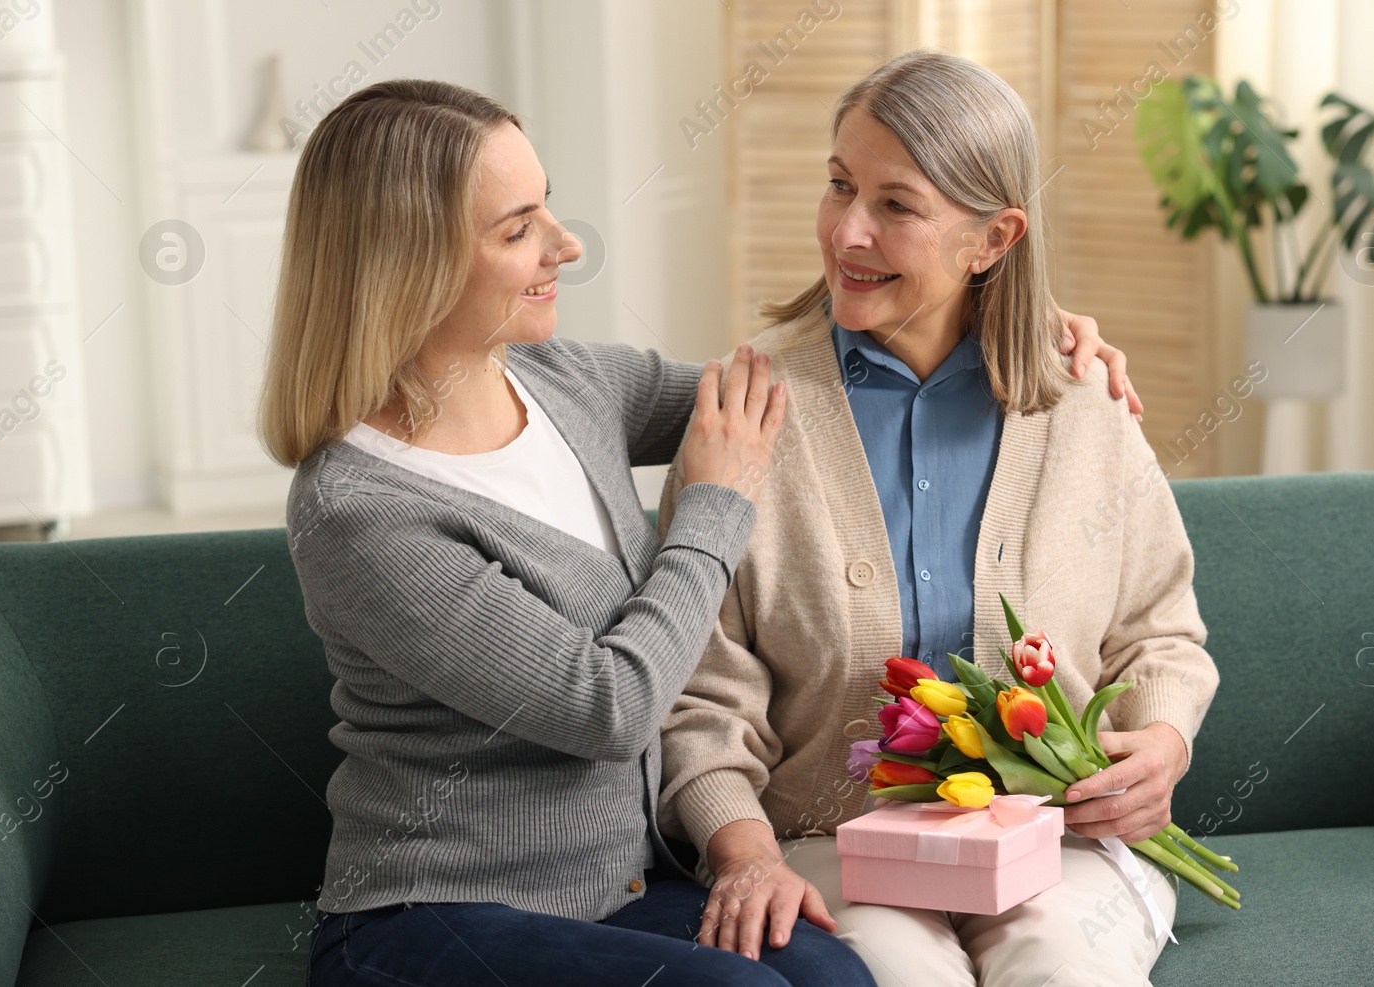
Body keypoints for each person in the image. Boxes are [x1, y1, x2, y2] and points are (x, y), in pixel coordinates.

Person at [258, 78, 1133, 986]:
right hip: (435, 914)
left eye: (547, 206)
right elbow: (611, 707)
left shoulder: (564, 384)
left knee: (841, 977)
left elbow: (802, 396)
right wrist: (716, 507)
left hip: (625, 885)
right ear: (408, 262)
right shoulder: (360, 511)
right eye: (518, 229)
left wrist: (1006, 321)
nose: (565, 244)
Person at [656, 50, 1221, 987]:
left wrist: (1158, 746)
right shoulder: (750, 406)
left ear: (993, 239)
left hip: (1056, 839)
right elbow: (698, 692)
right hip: (827, 837)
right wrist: (743, 851)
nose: (847, 230)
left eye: (896, 205)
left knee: (1063, 971)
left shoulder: (1079, 398)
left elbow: (1161, 632)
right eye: (839, 186)